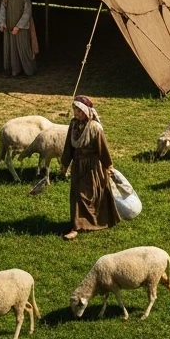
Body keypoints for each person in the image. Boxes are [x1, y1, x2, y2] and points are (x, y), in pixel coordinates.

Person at [59, 96, 119, 241]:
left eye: (79, 110)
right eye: (75, 109)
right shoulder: (73, 124)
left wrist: (108, 166)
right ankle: (76, 226)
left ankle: (97, 221)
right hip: (77, 166)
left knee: (88, 195)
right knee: (77, 196)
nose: (76, 113)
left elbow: (102, 148)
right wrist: (65, 163)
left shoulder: (94, 128)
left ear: (86, 111)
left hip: (92, 167)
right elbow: (69, 146)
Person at [0, 0, 36, 77]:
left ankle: (28, 70)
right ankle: (13, 71)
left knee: (23, 48)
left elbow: (27, 12)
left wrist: (18, 26)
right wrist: (2, 22)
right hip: (9, 26)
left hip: (21, 28)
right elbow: (3, 8)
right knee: (10, 49)